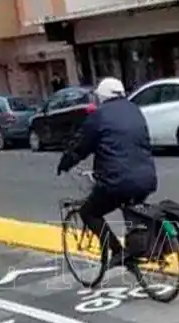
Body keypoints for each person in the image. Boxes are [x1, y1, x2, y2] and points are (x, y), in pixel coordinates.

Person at [56, 77, 157, 268]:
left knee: (89, 213)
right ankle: (135, 251)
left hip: (116, 181)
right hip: (147, 177)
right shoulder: (134, 110)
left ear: (102, 97)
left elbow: (80, 145)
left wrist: (65, 163)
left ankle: (117, 251)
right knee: (133, 211)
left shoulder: (99, 116)